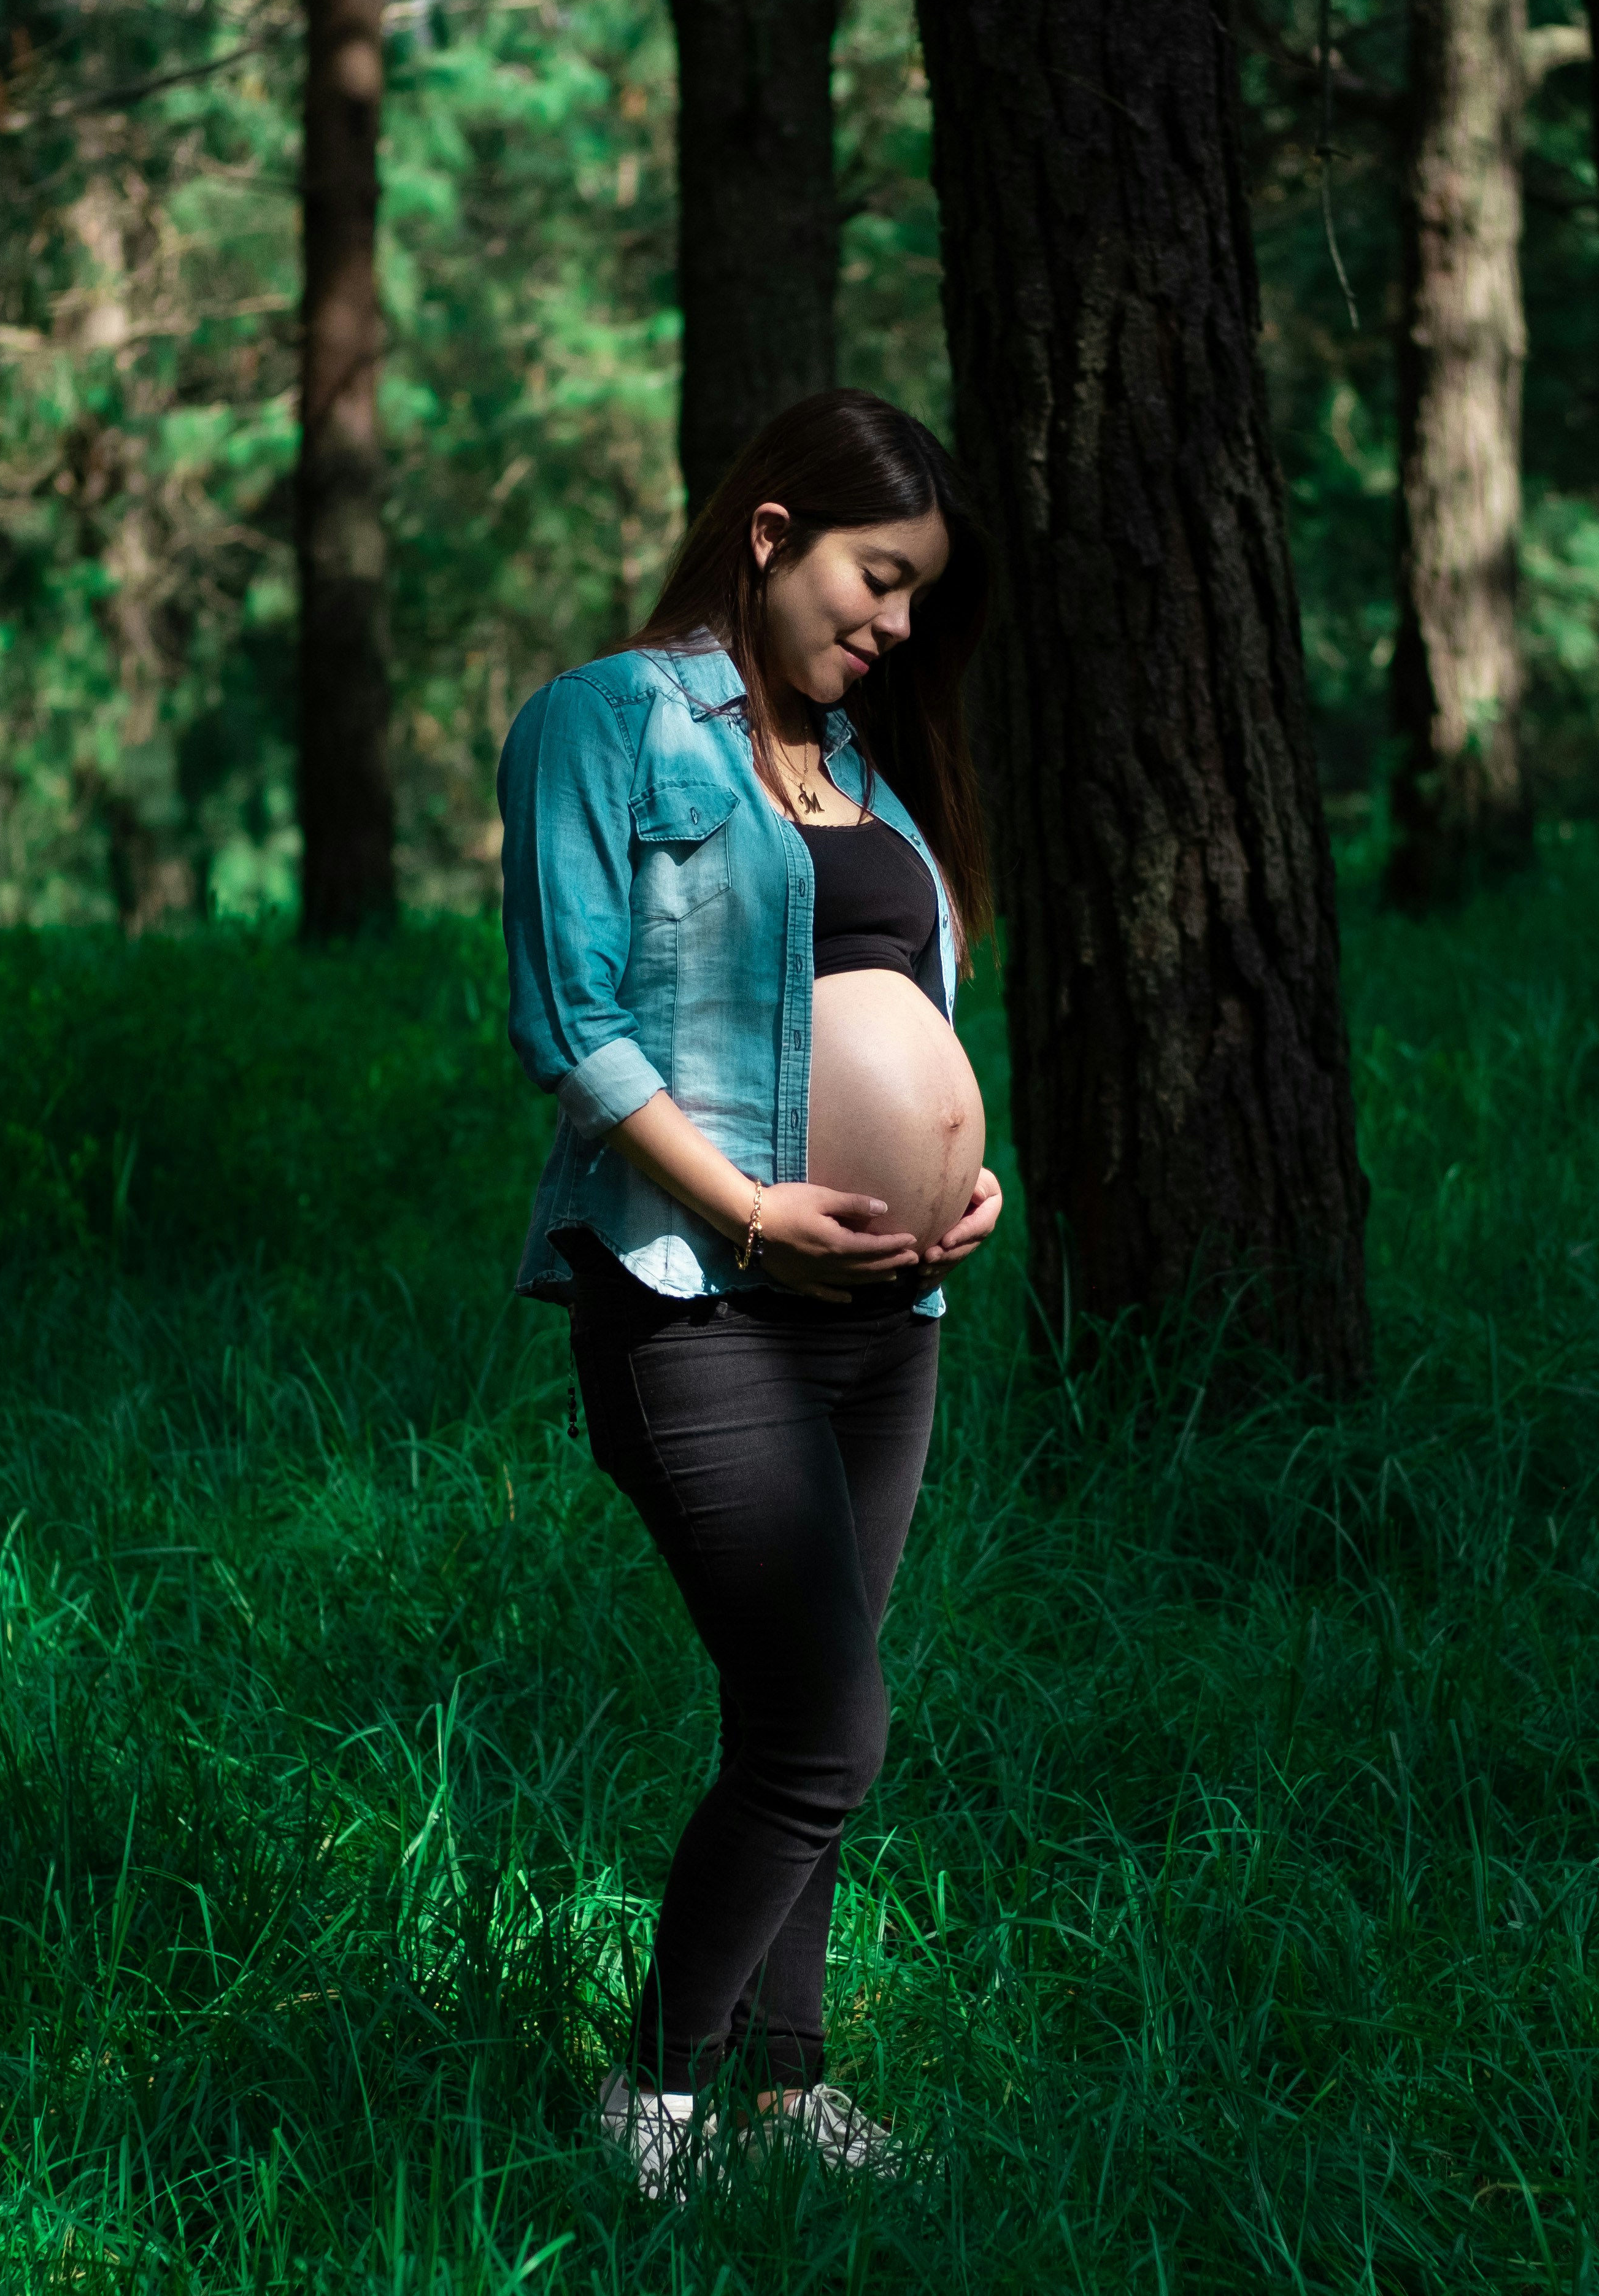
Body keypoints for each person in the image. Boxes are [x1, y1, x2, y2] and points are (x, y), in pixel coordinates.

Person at [495, 388, 1005, 2197]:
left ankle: (789, 2094)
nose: (898, 626)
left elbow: (901, 1007)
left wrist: (970, 1171)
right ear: (772, 533)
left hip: (890, 1320)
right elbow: (571, 1019)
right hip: (699, 1300)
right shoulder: (607, 722)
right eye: (880, 579)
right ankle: (654, 2108)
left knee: (820, 1704)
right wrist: (760, 1213)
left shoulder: (857, 776)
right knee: (821, 1726)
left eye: (921, 598)